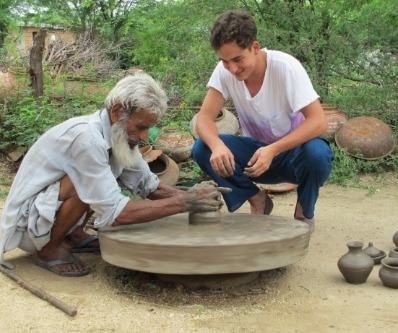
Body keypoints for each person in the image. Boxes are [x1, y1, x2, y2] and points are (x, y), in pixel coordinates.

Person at [0, 72, 225, 277]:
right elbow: (116, 214)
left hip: (50, 213)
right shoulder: (86, 139)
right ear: (117, 112)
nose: (145, 136)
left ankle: (74, 235)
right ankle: (49, 251)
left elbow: (151, 188)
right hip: (29, 227)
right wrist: (186, 202)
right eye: (140, 127)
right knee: (85, 184)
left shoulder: (121, 136)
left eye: (148, 128)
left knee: (98, 181)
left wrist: (196, 194)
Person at [191, 10, 334, 233]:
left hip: (295, 156)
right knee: (203, 147)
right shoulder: (224, 71)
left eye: (238, 59)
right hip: (257, 158)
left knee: (317, 153)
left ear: (255, 48)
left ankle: (303, 212)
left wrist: (273, 149)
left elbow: (319, 122)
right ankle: (257, 199)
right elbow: (204, 119)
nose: (232, 69)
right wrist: (217, 146)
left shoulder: (285, 67)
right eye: (225, 61)